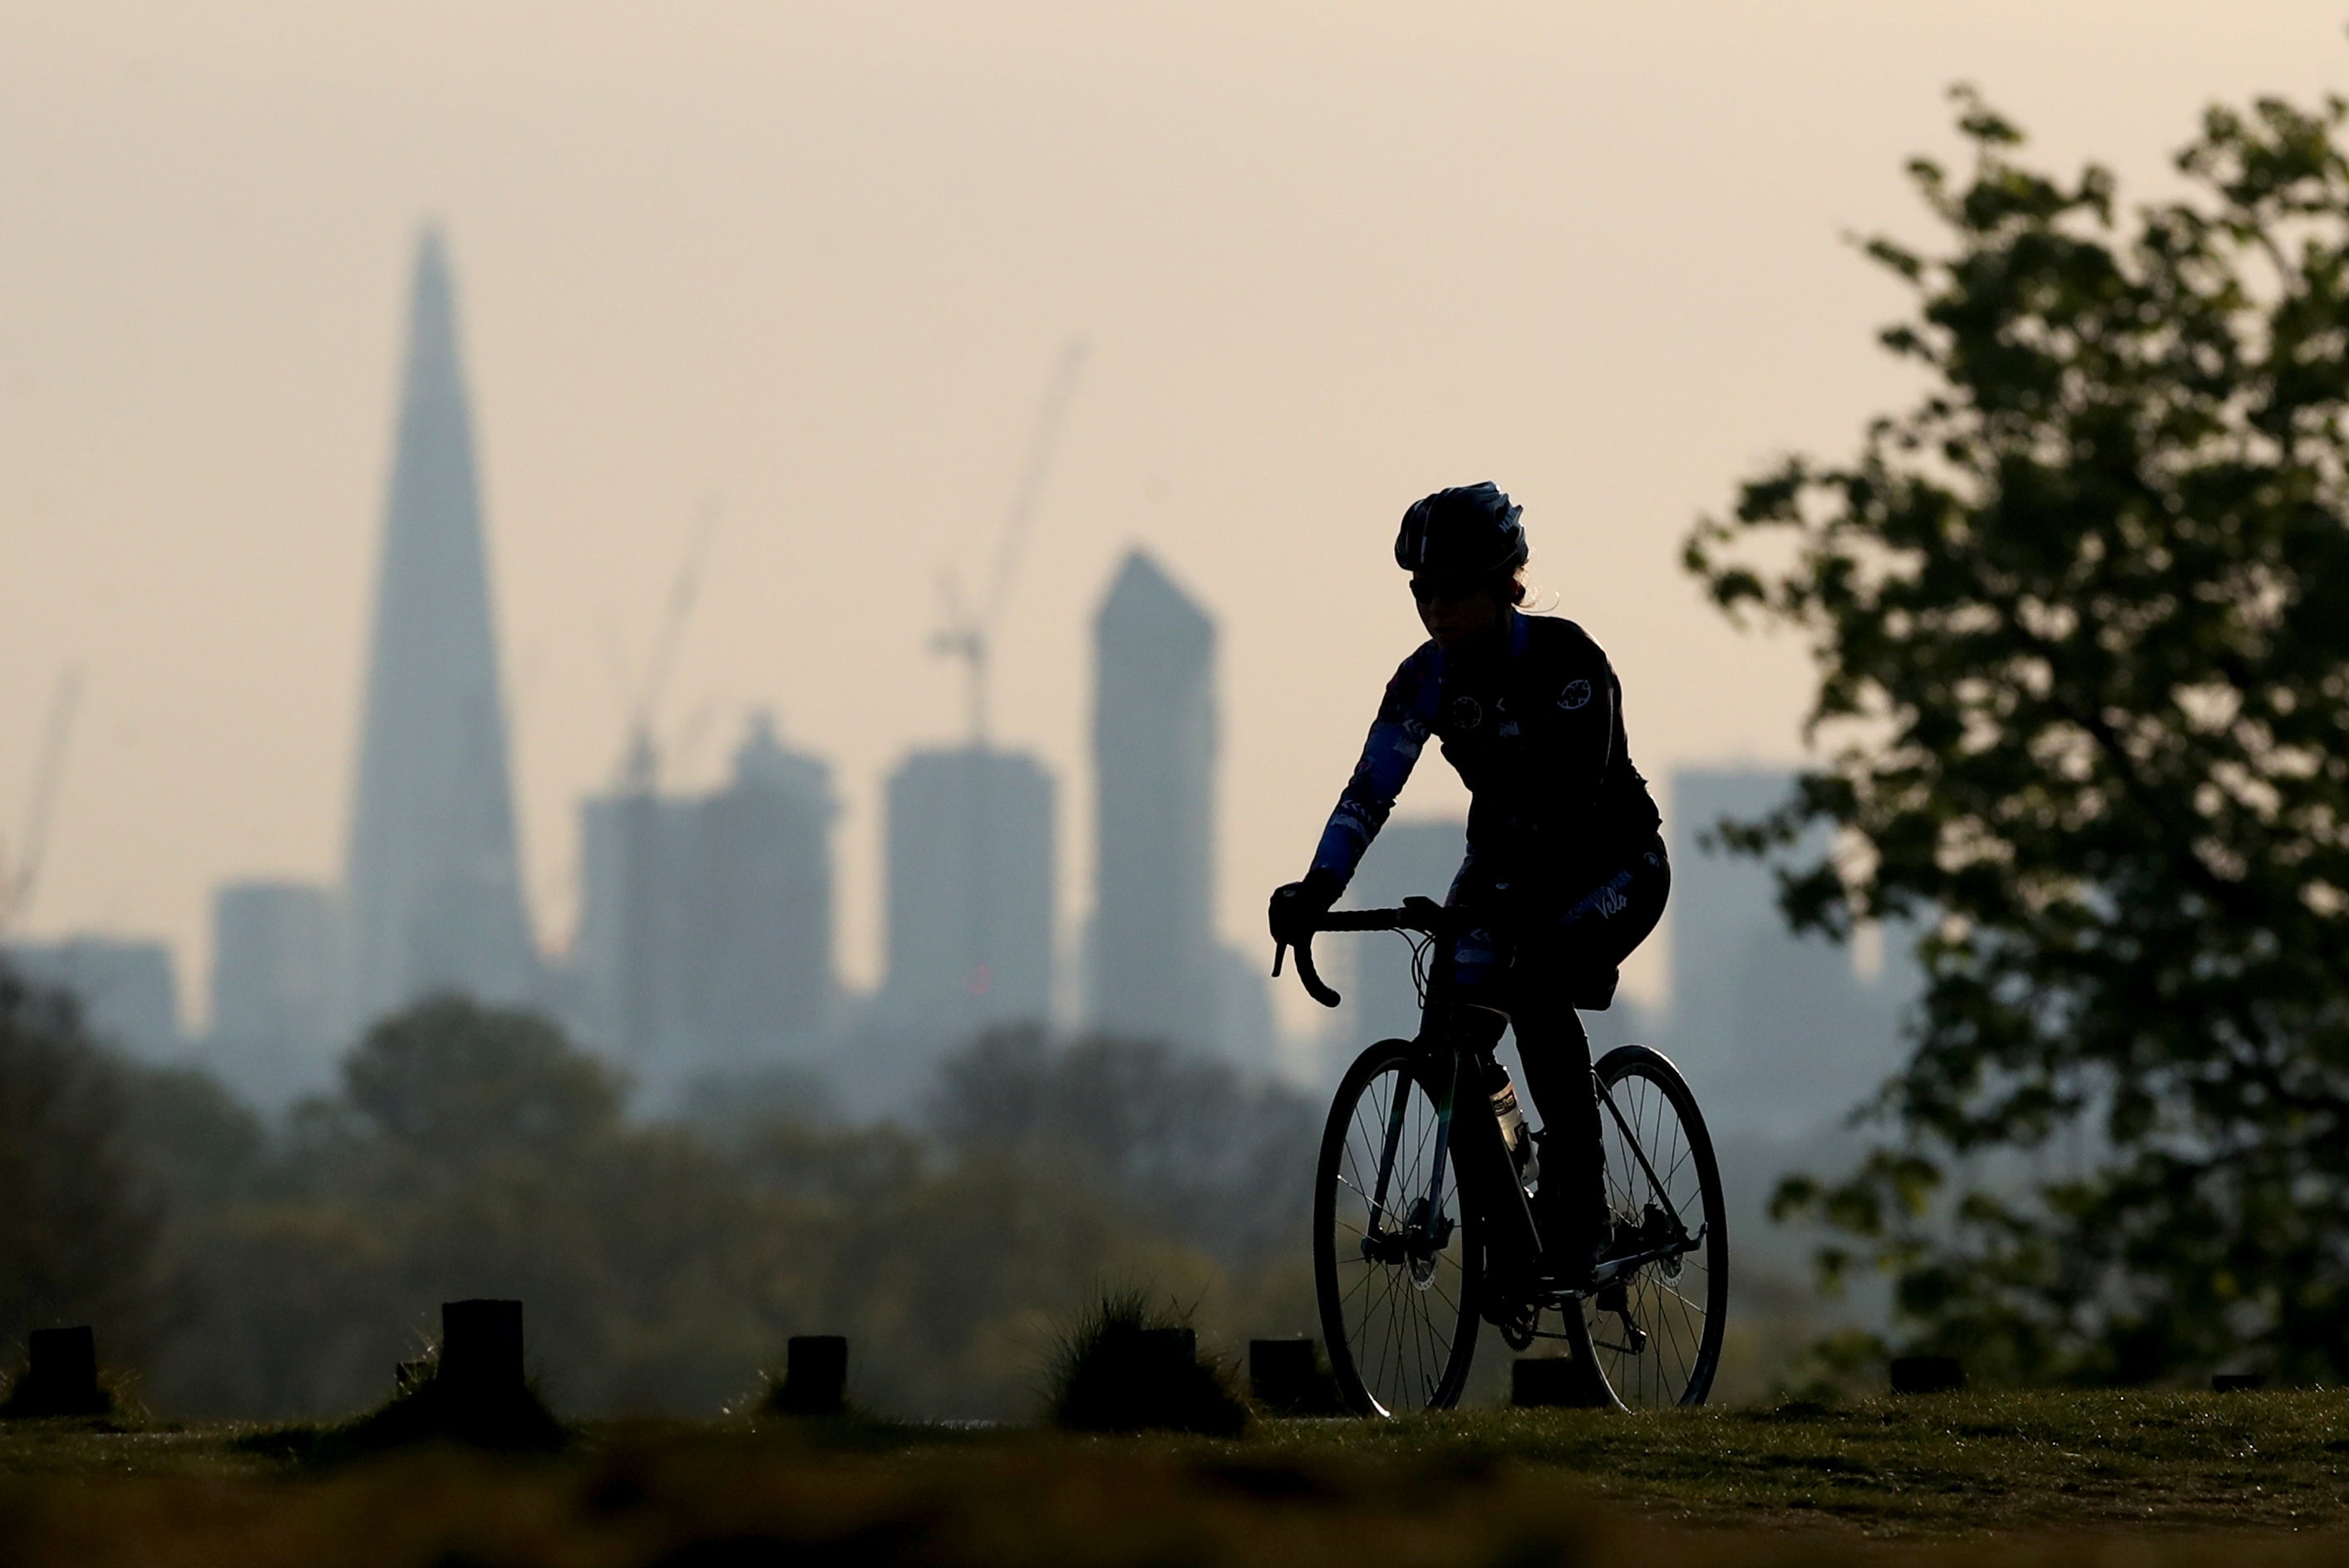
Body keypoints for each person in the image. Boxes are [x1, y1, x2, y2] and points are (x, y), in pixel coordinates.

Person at [1269, 482, 1667, 1285]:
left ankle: (1583, 1217)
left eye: (1452, 591)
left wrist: (1510, 909)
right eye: (1422, 592)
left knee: (1538, 978)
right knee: (1450, 1035)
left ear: (1502, 583)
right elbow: (1369, 792)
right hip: (1504, 866)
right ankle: (1512, 1224)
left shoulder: (1569, 661)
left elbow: (1576, 797)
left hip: (1610, 861)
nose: (1435, 609)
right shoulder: (1425, 680)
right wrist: (1316, 887)